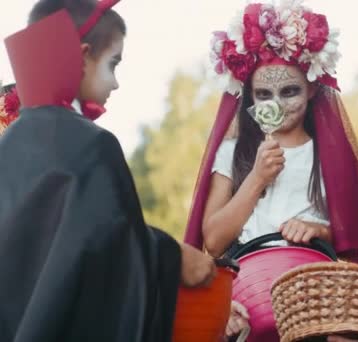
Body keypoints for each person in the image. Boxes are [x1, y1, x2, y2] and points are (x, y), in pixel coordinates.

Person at [0, 1, 216, 341]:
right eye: (113, 63)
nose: (115, 83)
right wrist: (173, 257)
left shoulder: (8, 143)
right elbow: (109, 250)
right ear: (83, 56)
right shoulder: (93, 146)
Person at [182, 1, 358, 339]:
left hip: (315, 298)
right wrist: (257, 177)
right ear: (249, 99)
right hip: (246, 293)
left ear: (312, 88)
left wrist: (319, 230)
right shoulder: (232, 153)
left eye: (289, 91)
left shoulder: (328, 156)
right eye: (263, 94)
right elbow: (213, 242)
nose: (276, 103)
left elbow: (353, 240)